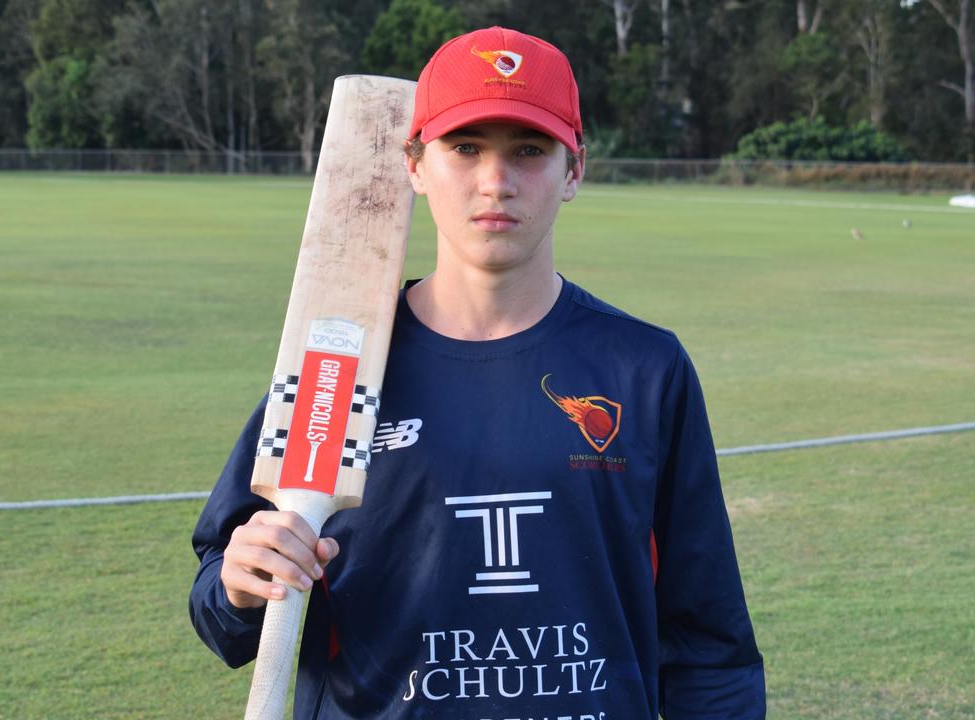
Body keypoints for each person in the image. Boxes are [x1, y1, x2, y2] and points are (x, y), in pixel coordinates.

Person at [191, 26, 765, 719]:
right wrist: (242, 583)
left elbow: (708, 638)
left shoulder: (644, 367)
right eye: (466, 148)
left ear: (574, 170)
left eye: (529, 150)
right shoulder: (337, 369)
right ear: (414, 164)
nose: (496, 181)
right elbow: (222, 610)